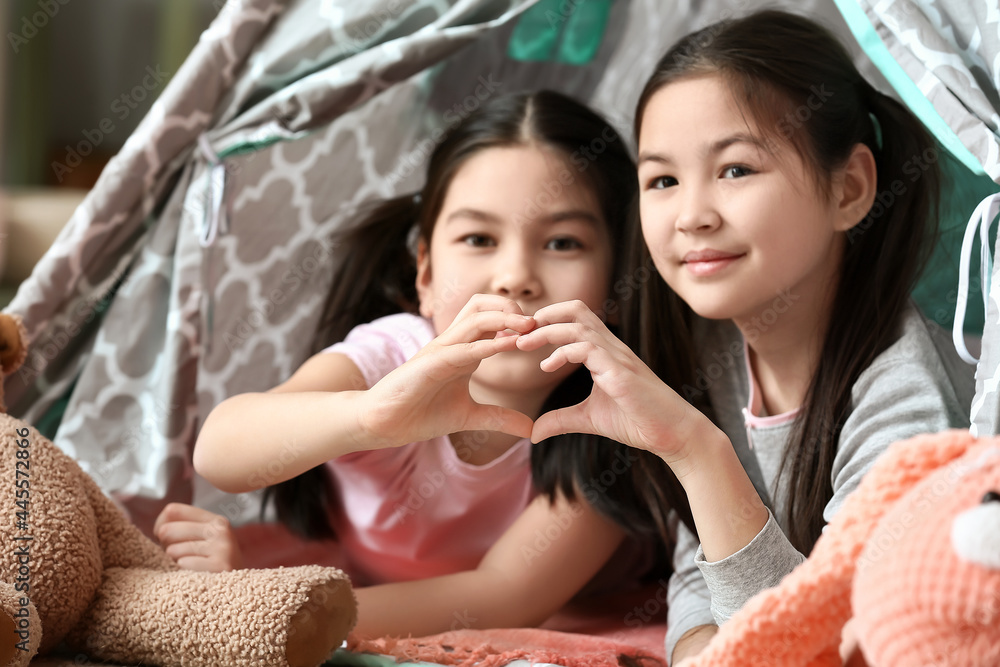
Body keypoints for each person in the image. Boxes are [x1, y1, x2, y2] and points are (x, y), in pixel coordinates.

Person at [510, 10, 975, 663]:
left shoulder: (909, 396)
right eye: (663, 180)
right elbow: (698, 576)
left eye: (735, 169)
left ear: (848, 188)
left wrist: (699, 452)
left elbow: (830, 643)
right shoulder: (711, 354)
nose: (692, 216)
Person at [153, 90, 682, 638]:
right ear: (425, 275)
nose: (516, 276)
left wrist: (270, 604)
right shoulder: (389, 356)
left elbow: (499, 597)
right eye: (479, 238)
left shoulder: (616, 413)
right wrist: (371, 416)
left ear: (617, 282)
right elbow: (219, 451)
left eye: (563, 242)